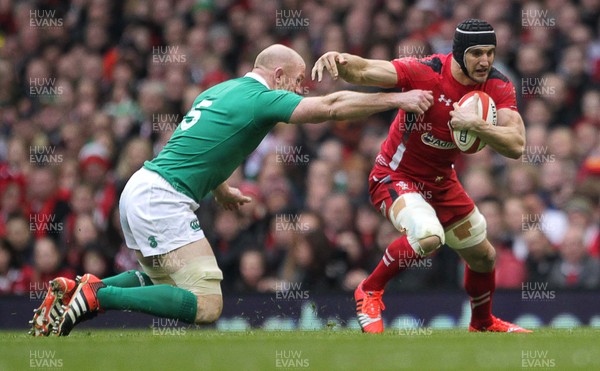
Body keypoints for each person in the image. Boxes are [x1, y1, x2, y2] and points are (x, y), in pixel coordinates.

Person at [30, 44, 434, 336]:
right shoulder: (261, 97)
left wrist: (221, 188)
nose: (299, 90)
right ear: (277, 76)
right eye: (296, 82)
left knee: (164, 283)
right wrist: (398, 98)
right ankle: (97, 295)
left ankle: (75, 291)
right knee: (207, 304)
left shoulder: (217, 90)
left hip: (144, 186)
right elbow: (330, 108)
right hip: (161, 197)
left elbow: (199, 141)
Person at [312, 19, 531, 333]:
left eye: (491, 52)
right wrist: (339, 60)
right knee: (429, 236)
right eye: (477, 53)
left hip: (441, 182)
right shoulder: (425, 71)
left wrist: (476, 125)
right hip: (394, 175)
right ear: (458, 53)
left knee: (483, 257)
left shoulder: (498, 84)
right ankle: (370, 290)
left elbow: (516, 145)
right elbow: (366, 71)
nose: (485, 61)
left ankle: (482, 324)